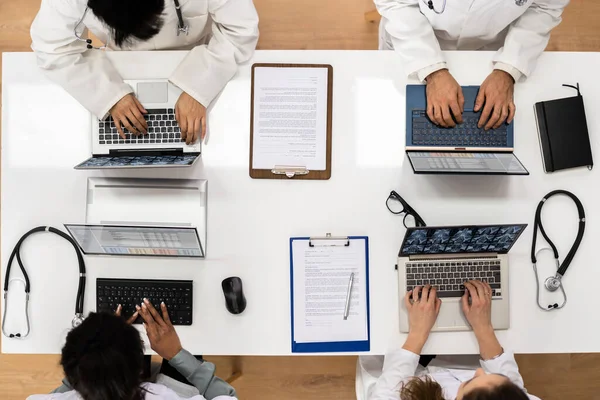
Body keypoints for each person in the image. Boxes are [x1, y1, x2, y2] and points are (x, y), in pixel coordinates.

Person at [30, 0, 259, 144]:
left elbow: (240, 31)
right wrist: (107, 95)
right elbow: (50, 48)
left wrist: (201, 85)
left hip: (197, 49)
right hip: (123, 63)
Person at [374, 0, 569, 130]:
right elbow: (395, 3)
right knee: (399, 127)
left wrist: (508, 69)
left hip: (494, 47)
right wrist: (432, 70)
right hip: (413, 41)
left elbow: (545, 7)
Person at [357, 280, 540, 399]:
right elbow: (511, 386)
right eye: (498, 377)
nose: (479, 372)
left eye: (470, 383)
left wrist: (418, 332)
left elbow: (388, 391)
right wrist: (483, 326)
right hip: (456, 363)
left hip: (409, 383)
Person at [28, 300, 236, 400]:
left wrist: (97, 358)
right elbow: (227, 396)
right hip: (177, 393)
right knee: (190, 351)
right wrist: (176, 354)